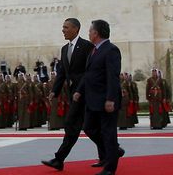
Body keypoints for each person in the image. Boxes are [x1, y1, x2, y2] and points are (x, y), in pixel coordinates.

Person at [43, 18, 121, 171]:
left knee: (88, 126)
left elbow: (96, 73)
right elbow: (62, 73)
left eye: (66, 27)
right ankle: (108, 152)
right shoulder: (65, 49)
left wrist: (108, 97)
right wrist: (55, 90)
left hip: (90, 94)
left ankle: (108, 154)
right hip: (78, 94)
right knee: (79, 126)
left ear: (75, 29)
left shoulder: (89, 46)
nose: (63, 30)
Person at [73, 19, 122, 175]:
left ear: (96, 33)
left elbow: (112, 77)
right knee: (89, 127)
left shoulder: (111, 50)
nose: (88, 33)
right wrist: (79, 90)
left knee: (108, 133)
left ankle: (109, 168)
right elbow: (89, 74)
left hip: (105, 100)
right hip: (92, 99)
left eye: (90, 31)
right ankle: (114, 150)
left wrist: (110, 99)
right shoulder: (94, 50)